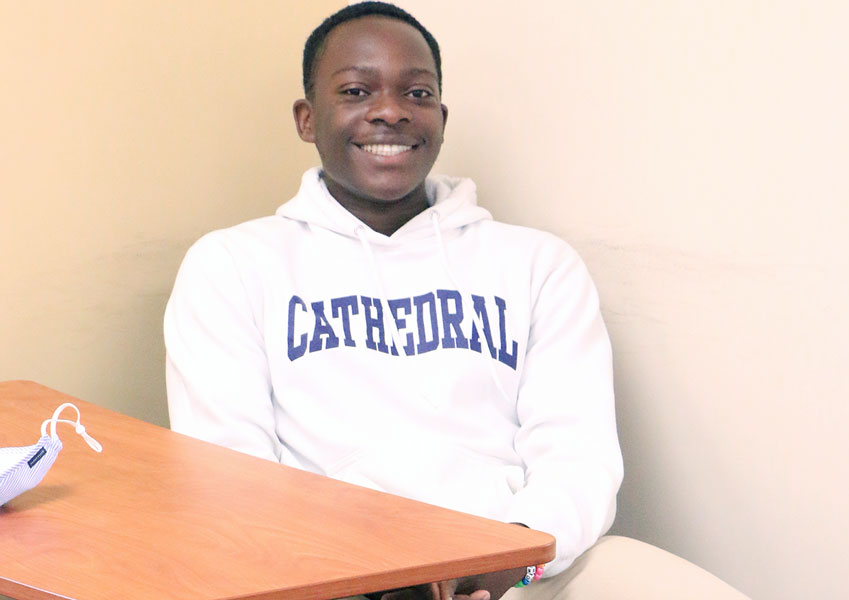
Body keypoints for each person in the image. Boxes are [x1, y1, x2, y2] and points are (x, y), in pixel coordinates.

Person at [164, 3, 622, 599]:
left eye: (418, 92)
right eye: (357, 91)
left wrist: (504, 556)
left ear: (441, 116)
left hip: (512, 573)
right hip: (327, 581)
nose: (390, 111)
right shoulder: (231, 266)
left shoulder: (539, 266)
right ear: (307, 119)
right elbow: (232, 479)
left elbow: (578, 456)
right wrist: (377, 578)